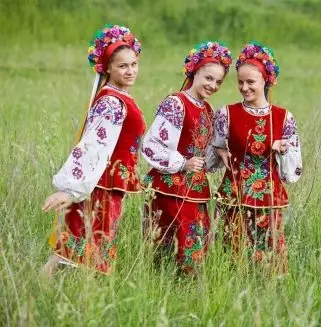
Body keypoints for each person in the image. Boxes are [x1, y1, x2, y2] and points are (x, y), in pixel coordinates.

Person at [41, 24, 146, 275]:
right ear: (107, 67)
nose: (130, 70)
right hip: (100, 186)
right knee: (80, 247)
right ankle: (42, 289)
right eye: (123, 66)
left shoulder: (120, 97)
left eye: (133, 64)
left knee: (85, 249)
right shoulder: (111, 101)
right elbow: (93, 147)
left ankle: (71, 297)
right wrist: (71, 190)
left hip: (110, 185)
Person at [208, 41, 302, 273]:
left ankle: (271, 294)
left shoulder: (283, 117)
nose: (244, 87)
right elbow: (212, 151)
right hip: (234, 194)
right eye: (240, 82)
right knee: (232, 253)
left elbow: (293, 171)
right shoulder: (226, 114)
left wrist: (283, 149)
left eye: (251, 82)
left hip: (268, 196)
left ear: (265, 81)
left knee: (270, 256)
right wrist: (220, 151)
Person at [141, 41, 232, 273]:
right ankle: (161, 291)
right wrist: (182, 162)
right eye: (208, 78)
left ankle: (188, 294)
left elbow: (201, 153)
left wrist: (219, 153)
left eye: (219, 81)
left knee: (195, 247)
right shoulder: (176, 103)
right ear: (194, 72)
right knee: (168, 249)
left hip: (196, 189)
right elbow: (151, 145)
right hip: (169, 188)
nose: (213, 85)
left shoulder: (208, 109)